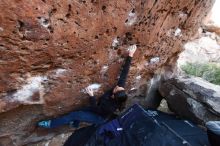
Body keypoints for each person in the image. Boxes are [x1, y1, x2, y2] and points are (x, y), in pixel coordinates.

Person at [37, 45, 137, 128]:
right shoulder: (120, 90)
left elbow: (95, 108)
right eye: (119, 87)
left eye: (116, 89)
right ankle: (75, 124)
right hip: (99, 109)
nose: (116, 86)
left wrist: (91, 95)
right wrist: (130, 55)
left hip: (99, 117)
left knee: (75, 115)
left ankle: (51, 124)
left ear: (114, 96)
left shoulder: (110, 107)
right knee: (78, 112)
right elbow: (124, 73)